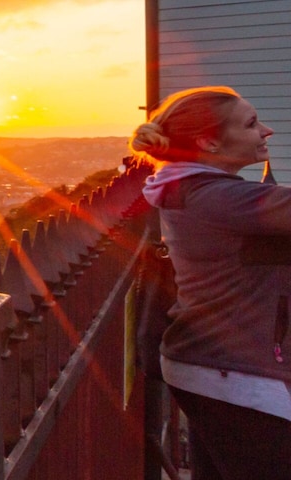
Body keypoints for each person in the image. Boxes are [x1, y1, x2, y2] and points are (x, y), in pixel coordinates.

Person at [135, 85, 288, 479]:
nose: (266, 131)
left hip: (211, 364)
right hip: (234, 374)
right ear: (209, 142)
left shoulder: (187, 189)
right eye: (252, 124)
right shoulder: (214, 197)